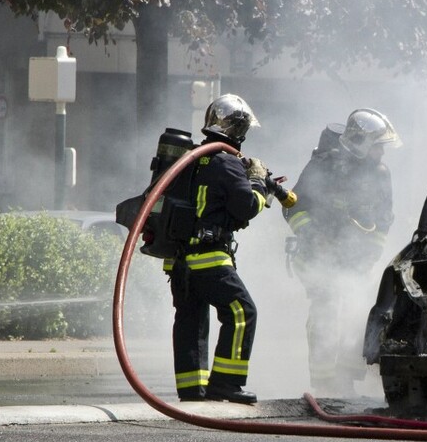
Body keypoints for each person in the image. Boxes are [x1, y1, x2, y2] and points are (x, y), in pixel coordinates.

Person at [168, 94, 295, 403]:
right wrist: (259, 182)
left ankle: (192, 388)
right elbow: (247, 206)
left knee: (191, 319)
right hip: (209, 257)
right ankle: (226, 383)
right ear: (237, 130)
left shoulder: (191, 159)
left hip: (180, 261)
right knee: (241, 312)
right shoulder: (226, 162)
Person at [283, 109, 400, 397]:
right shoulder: (324, 166)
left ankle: (347, 378)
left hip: (355, 259)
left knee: (360, 311)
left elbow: (384, 219)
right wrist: (311, 236)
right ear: (361, 143)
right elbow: (293, 206)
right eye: (377, 146)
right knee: (325, 310)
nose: (381, 153)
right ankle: (324, 382)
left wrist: (370, 255)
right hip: (316, 256)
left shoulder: (380, 174)